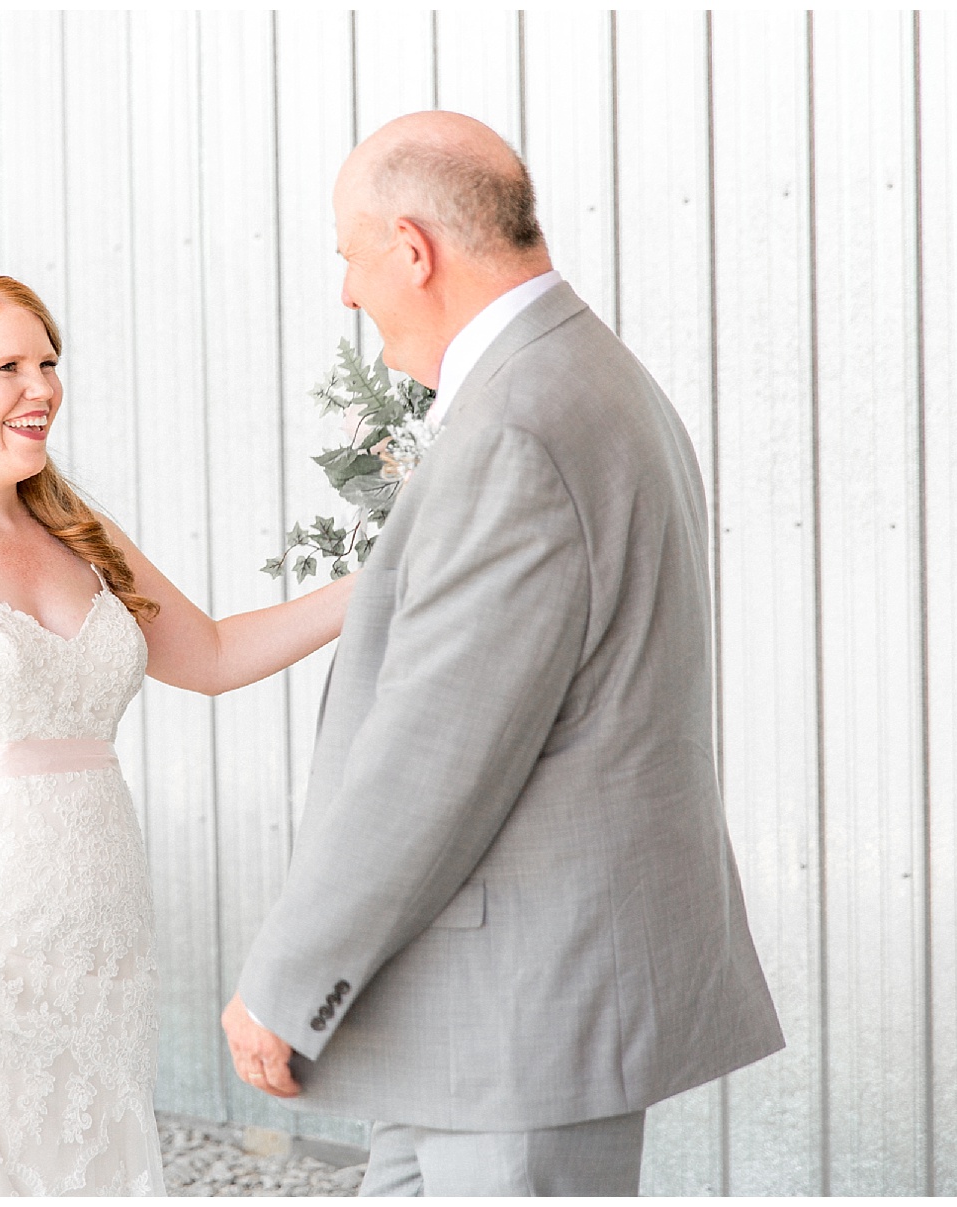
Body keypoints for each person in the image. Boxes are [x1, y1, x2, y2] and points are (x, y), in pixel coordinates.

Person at [221, 111, 785, 1196]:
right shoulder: (580, 377)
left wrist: (286, 983)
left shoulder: (521, 422)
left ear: (412, 249)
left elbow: (435, 755)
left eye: (349, 258)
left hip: (517, 1020)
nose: (346, 293)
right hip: (479, 1019)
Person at [0, 271, 353, 1196]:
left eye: (48, 361)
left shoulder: (81, 533)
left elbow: (206, 654)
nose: (41, 387)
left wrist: (379, 586)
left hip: (100, 931)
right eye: (8, 366)